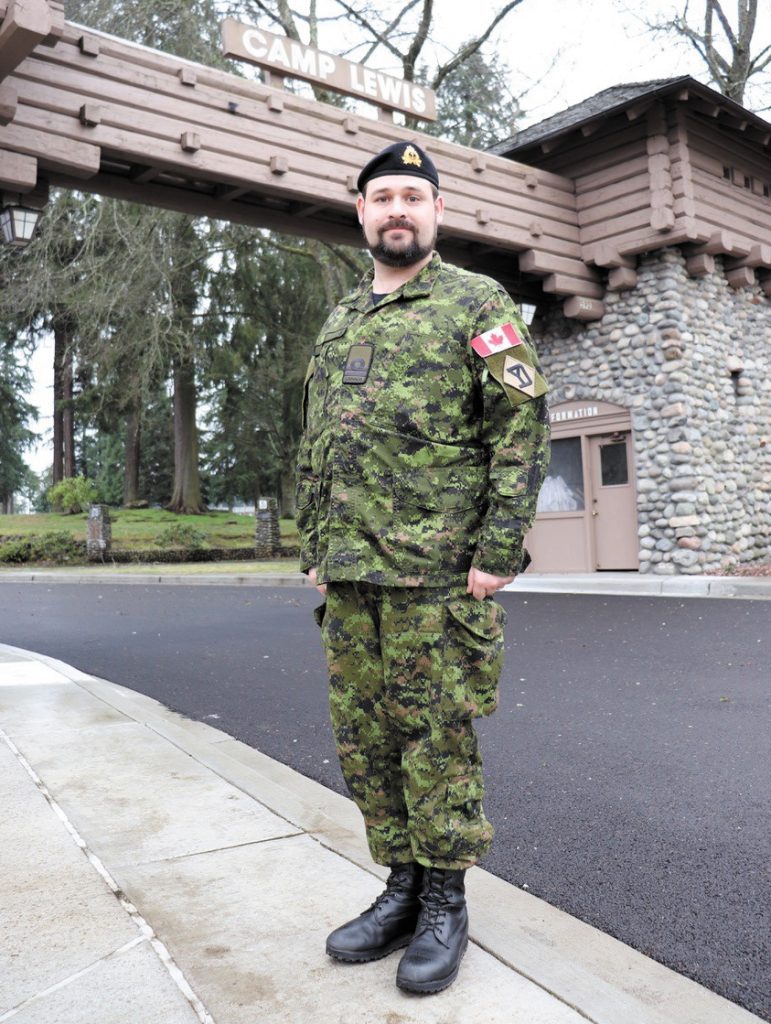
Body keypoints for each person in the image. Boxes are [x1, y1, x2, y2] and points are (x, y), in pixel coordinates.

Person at [295, 140, 550, 995]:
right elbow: (317, 444)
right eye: (382, 197)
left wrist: (497, 549)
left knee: (435, 742)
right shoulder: (338, 320)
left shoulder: (478, 302)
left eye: (412, 195)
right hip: (350, 573)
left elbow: (520, 425)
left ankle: (445, 899)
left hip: (437, 574)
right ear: (359, 212)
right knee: (366, 743)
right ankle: (400, 885)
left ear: (436, 213)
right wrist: (313, 551)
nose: (396, 209)